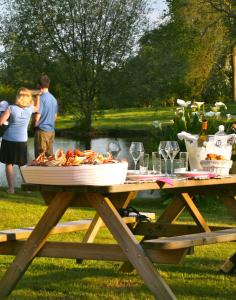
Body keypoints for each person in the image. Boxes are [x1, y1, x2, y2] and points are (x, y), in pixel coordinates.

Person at [0, 88, 40, 194]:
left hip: (9, 139)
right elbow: (37, 108)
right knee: (22, 164)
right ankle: (27, 189)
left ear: (18, 97)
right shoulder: (30, 109)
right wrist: (38, 96)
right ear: (28, 98)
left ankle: (11, 189)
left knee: (9, 164)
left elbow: (1, 122)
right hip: (22, 140)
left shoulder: (11, 108)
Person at [34, 74, 58, 158]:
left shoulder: (40, 98)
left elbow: (37, 117)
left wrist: (34, 125)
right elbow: (55, 117)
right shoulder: (54, 99)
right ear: (48, 84)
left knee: (40, 159)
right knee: (49, 159)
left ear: (38, 85)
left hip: (41, 132)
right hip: (51, 131)